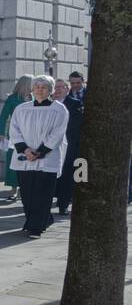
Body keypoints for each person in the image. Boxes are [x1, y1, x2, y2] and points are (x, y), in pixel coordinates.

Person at [9, 75, 69, 238]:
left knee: (43, 193)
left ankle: (36, 227)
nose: (40, 89)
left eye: (44, 87)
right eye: (37, 86)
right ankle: (37, 220)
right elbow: (14, 130)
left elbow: (58, 132)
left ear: (50, 90)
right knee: (27, 194)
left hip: (47, 156)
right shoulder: (22, 109)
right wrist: (25, 150)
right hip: (24, 157)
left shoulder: (59, 109)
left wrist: (40, 151)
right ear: (32, 89)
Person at [0, 75, 32, 202]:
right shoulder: (12, 99)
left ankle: (24, 190)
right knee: (13, 162)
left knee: (28, 162)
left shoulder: (34, 98)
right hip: (15, 135)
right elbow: (3, 116)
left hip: (31, 135)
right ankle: (13, 189)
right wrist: (1, 132)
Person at [53, 78, 84, 216]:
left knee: (66, 176)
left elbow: (77, 127)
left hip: (69, 146)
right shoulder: (48, 104)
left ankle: (63, 205)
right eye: (56, 87)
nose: (58, 89)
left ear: (67, 89)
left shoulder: (75, 104)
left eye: (61, 87)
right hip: (50, 147)